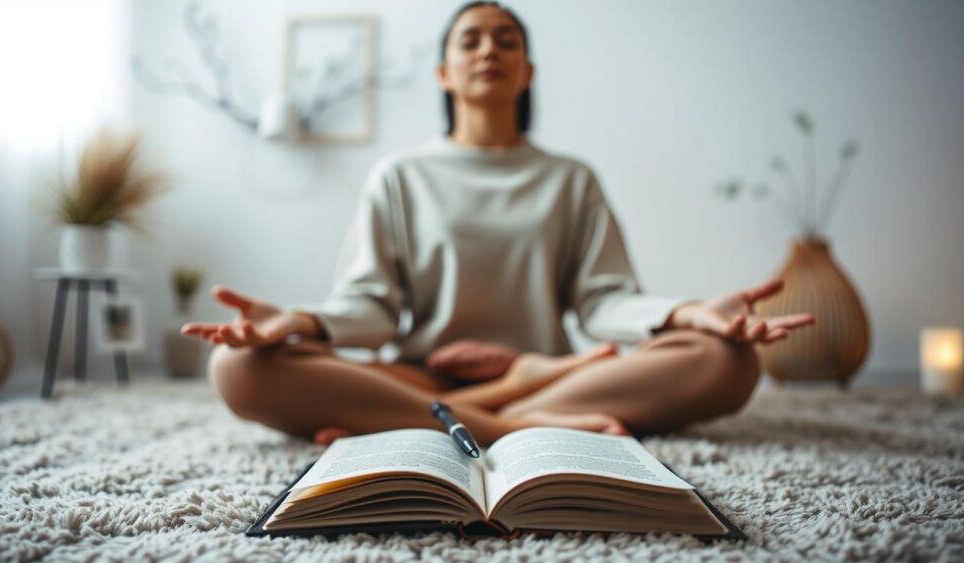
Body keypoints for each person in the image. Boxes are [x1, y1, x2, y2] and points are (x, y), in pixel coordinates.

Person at [181, 1, 815, 447]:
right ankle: (512, 424)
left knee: (729, 362)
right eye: (472, 39)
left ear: (528, 71)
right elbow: (370, 308)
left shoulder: (570, 179)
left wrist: (691, 315)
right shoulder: (399, 176)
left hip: (551, 366)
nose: (489, 49)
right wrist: (296, 323)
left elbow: (605, 300)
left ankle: (409, 423)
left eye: (507, 40)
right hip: (422, 373)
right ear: (443, 73)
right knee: (235, 369)